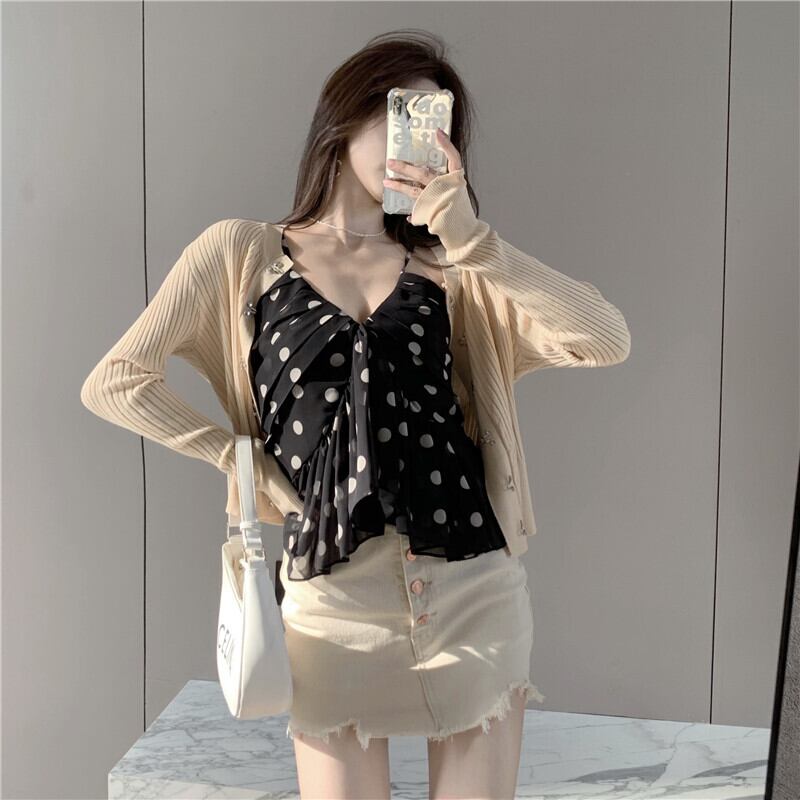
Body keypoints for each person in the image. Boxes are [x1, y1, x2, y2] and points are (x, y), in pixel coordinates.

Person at [81, 29, 631, 800]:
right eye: (409, 115)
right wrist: (235, 457)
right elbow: (115, 381)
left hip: (473, 592)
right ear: (349, 114)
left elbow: (605, 338)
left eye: (440, 128)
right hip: (332, 608)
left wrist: (472, 239)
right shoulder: (240, 253)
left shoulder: (452, 267)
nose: (424, 144)